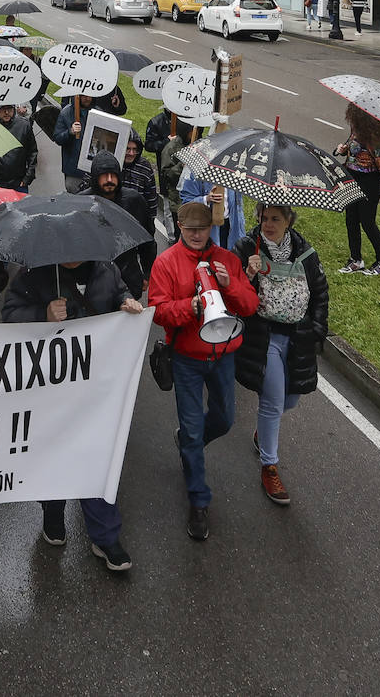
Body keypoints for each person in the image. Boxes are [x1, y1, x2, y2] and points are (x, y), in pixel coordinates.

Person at [2, 256, 145, 571]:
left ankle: (105, 536)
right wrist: (43, 314)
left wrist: (126, 302)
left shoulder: (106, 270)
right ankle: (52, 510)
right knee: (54, 450)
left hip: (97, 383)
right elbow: (9, 315)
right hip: (51, 383)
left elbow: (119, 294)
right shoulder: (34, 274)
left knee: (96, 455)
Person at [148, 201, 259, 542]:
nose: (197, 235)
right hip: (187, 359)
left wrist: (230, 285)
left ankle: (187, 443)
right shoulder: (166, 263)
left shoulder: (227, 259)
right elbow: (158, 310)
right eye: (190, 229)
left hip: (224, 355)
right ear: (179, 227)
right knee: (195, 430)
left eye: (203, 228)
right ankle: (198, 499)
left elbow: (250, 305)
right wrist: (189, 307)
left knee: (224, 420)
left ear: (212, 227)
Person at [234, 203, 329, 506]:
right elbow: (233, 295)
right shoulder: (246, 248)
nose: (269, 224)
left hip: (298, 339)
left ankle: (263, 433)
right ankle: (269, 466)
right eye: (264, 218)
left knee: (291, 399)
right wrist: (247, 276)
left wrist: (317, 329)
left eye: (276, 219)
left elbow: (320, 291)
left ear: (289, 220)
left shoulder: (305, 252)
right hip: (264, 339)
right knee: (273, 401)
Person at [78, 152, 156, 299]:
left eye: (113, 175)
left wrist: (147, 273)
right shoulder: (82, 202)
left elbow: (148, 240)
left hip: (128, 276)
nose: (109, 180)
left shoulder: (134, 200)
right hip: (93, 280)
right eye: (104, 175)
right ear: (95, 177)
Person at [335, 103, 380, 275]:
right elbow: (351, 152)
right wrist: (341, 149)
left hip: (369, 182)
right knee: (351, 220)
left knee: (367, 222)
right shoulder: (356, 133)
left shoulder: (375, 141)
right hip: (352, 178)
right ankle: (356, 260)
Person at [0, 104, 38, 192]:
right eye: (2, 109)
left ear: (14, 109)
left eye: (9, 108)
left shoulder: (24, 126)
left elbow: (32, 152)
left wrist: (28, 177)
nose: (6, 112)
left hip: (19, 183)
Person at [51, 95, 95, 192]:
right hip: (74, 170)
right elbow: (58, 138)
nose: (87, 98)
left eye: (89, 96)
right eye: (84, 96)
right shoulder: (66, 113)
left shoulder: (97, 113)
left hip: (93, 169)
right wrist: (70, 132)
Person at [120, 129, 159, 225]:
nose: (131, 153)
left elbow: (151, 196)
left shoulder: (144, 167)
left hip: (135, 219)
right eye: (127, 149)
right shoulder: (112, 163)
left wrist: (150, 221)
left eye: (135, 150)